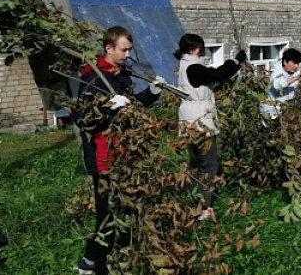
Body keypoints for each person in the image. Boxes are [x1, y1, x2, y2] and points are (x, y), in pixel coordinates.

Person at [74, 26, 163, 275]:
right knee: (107, 214)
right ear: (109, 48)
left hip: (123, 152)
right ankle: (96, 265)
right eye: (123, 50)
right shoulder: (93, 77)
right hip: (103, 156)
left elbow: (130, 108)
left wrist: (151, 94)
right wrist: (108, 108)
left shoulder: (121, 73)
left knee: (122, 209)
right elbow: (83, 118)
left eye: (129, 50)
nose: (127, 55)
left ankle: (96, 258)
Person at [175, 33, 246, 220]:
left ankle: (195, 200)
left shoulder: (185, 66)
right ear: (194, 49)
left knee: (196, 162)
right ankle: (203, 208)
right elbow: (218, 74)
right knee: (208, 164)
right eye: (202, 47)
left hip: (189, 120)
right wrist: (235, 62)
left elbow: (212, 79)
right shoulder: (193, 68)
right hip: (200, 121)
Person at [259, 48, 301, 119]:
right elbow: (278, 85)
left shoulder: (295, 72)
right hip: (270, 110)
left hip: (286, 109)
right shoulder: (275, 72)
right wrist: (296, 78)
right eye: (294, 63)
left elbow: (296, 86)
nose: (296, 66)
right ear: (285, 62)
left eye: (297, 63)